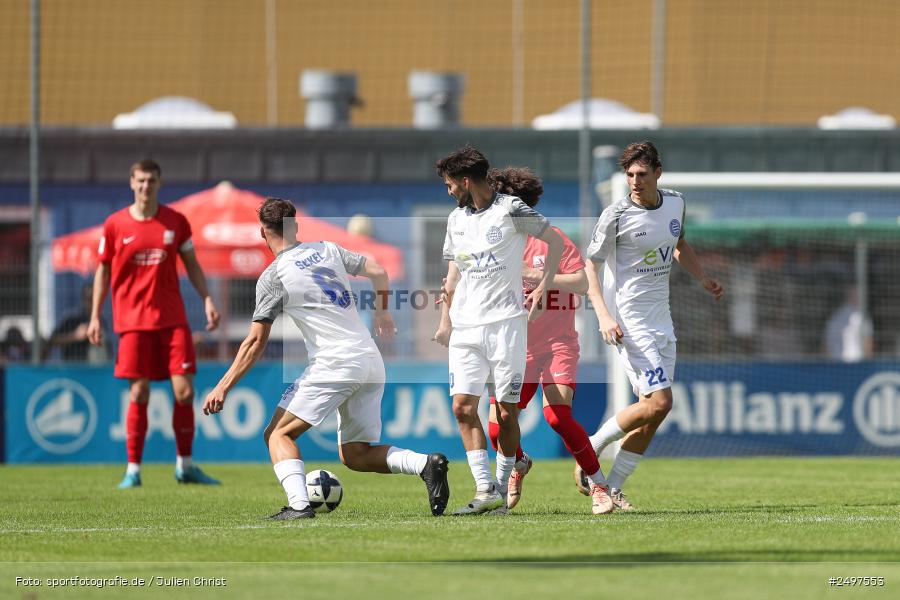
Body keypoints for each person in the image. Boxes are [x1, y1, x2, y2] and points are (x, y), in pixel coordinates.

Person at [202, 197, 450, 520]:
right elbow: (378, 271)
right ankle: (425, 464)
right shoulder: (328, 249)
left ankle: (299, 506)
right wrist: (383, 313)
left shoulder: (274, 275)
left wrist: (223, 385)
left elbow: (254, 342)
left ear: (263, 232)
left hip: (335, 362)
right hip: (369, 358)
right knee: (355, 454)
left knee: (278, 434)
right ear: (296, 226)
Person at [580, 141, 724, 511]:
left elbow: (679, 243)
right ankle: (590, 448)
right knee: (661, 401)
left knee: (655, 411)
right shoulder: (615, 215)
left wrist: (703, 277)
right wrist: (603, 315)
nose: (634, 181)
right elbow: (590, 266)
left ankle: (611, 487)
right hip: (630, 319)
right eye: (629, 175)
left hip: (662, 318)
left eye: (641, 174)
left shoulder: (675, 202)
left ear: (657, 172)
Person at [432, 146, 564, 515]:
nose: (448, 192)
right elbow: (454, 272)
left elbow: (553, 240)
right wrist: (445, 320)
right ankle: (484, 489)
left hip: (505, 325)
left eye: (448, 185)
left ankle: (505, 483)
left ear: (464, 181)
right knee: (462, 407)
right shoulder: (455, 220)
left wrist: (544, 284)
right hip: (465, 328)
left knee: (505, 413)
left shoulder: (511, 209)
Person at [474, 167, 613, 515]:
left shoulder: (553, 239)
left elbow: (581, 283)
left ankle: (599, 486)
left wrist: (539, 276)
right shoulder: (495, 243)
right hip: (514, 347)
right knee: (496, 429)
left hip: (556, 344)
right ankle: (519, 463)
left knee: (558, 418)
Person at [88, 159, 221, 489]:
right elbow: (103, 271)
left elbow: (192, 264)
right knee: (140, 392)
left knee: (185, 391)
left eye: (151, 180)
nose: (146, 186)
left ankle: (185, 466)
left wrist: (207, 298)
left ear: (159, 183)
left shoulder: (175, 221)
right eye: (140, 181)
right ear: (132, 183)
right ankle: (133, 470)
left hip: (172, 320)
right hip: (132, 322)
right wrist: (95, 315)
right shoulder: (115, 225)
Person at [47, 283, 109, 362]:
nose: (91, 302)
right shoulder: (72, 319)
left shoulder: (102, 321)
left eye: (94, 298)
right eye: (89, 298)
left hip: (96, 371)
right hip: (74, 369)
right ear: (83, 299)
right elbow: (52, 340)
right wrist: (74, 336)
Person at [824, 286, 873, 362]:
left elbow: (827, 344)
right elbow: (868, 343)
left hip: (835, 361)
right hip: (856, 361)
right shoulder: (861, 317)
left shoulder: (835, 316)